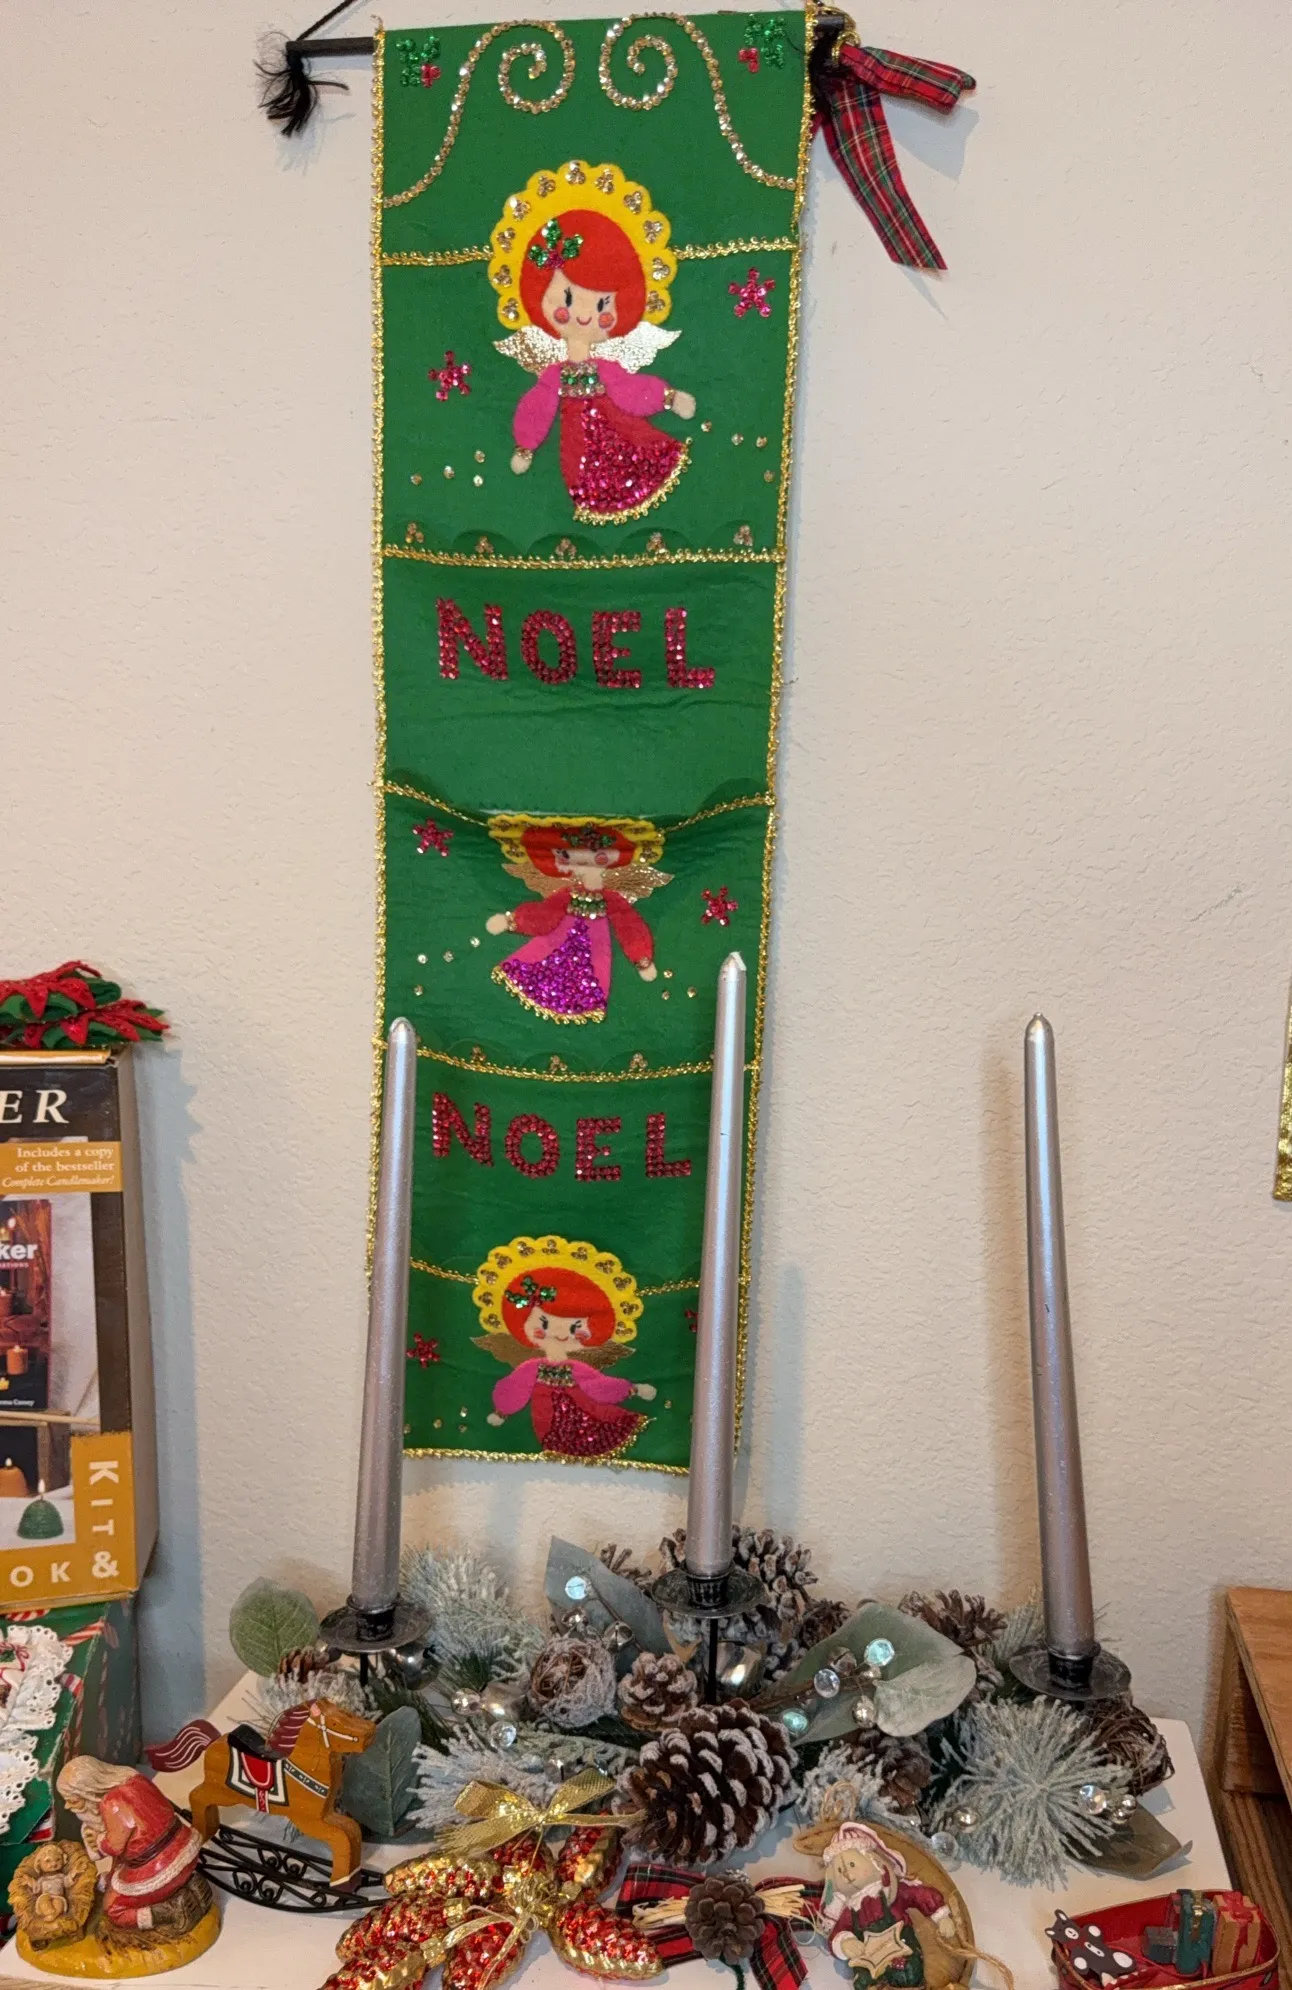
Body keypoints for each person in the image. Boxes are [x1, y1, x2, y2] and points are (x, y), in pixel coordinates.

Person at [500, 201, 695, 522]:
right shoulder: (554, 376)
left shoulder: (606, 370)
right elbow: (538, 406)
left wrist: (667, 397)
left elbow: (630, 391)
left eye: (602, 303)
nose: (584, 315)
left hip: (622, 436)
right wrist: (525, 445)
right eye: (567, 299)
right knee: (583, 473)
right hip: (580, 454)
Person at [486, 818, 669, 1024]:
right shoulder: (568, 893)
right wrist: (512, 921)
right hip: (556, 944)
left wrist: (641, 957)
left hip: (594, 951)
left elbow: (628, 925)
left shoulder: (612, 899)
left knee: (588, 981)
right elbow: (545, 915)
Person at [484, 1263, 655, 1459]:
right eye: (545, 1324)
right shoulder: (532, 1367)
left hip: (586, 1415)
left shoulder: (577, 1368)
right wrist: (502, 1411)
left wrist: (632, 1389)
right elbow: (516, 1387)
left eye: (574, 1327)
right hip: (548, 1422)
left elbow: (599, 1386)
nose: (561, 1334)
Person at [57, 1755, 205, 1933]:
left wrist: (98, 1840)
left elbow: (115, 1846)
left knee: (113, 1909)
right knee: (121, 1863)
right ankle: (186, 1886)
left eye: (73, 1800)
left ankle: (170, 1912)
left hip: (163, 1867)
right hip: (185, 1845)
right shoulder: (134, 1778)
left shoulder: (112, 1804)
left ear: (89, 1791)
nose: (67, 1806)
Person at [821, 1821, 957, 1989]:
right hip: (869, 1959)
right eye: (840, 1871)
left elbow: (918, 1895)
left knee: (908, 1971)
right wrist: (845, 1943)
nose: (847, 1874)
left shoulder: (891, 1892)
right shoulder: (850, 1911)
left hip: (901, 1947)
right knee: (863, 1982)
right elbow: (837, 1932)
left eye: (852, 1865)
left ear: (872, 1862)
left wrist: (942, 1917)